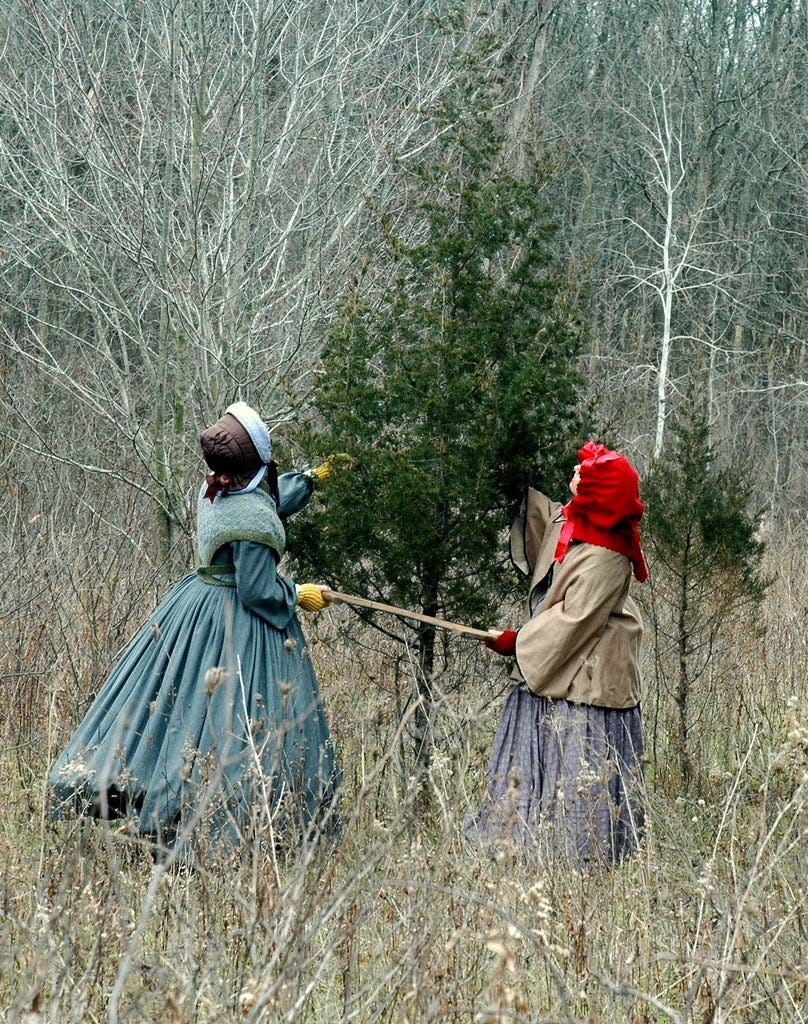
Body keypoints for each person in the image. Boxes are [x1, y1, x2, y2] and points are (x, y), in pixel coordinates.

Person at [50, 402, 341, 856]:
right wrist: (299, 593)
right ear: (255, 465)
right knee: (231, 722)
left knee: (170, 709)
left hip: (192, 605)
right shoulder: (254, 518)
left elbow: (264, 502)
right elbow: (258, 589)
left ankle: (135, 794)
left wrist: (312, 481)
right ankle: (217, 829)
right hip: (237, 619)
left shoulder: (214, 493)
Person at [465, 441, 648, 866]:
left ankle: (576, 857)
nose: (574, 476)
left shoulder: (609, 555)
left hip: (588, 679)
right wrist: (514, 486)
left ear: (598, 494)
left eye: (583, 474)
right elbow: (548, 525)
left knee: (577, 768)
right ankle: (522, 841)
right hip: (564, 660)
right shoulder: (580, 520)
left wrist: (519, 642)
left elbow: (575, 619)